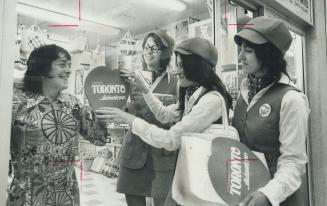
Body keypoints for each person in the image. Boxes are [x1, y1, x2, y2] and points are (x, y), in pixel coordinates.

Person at [96, 37, 233, 205]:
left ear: (197, 67)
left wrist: (130, 120)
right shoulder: (191, 94)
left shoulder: (211, 100)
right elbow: (163, 114)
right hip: (182, 167)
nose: (177, 71)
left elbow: (170, 139)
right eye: (178, 65)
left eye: (182, 66)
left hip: (200, 172)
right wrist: (144, 88)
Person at [8, 44, 108, 206]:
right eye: (62, 64)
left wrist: (103, 107)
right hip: (27, 193)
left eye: (69, 65)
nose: (68, 70)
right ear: (42, 67)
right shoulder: (17, 103)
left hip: (66, 193)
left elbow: (99, 138)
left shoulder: (73, 104)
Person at [231, 16, 310, 206]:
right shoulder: (244, 92)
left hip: (277, 199)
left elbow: (294, 162)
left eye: (248, 51)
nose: (240, 57)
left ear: (268, 55)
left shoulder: (291, 100)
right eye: (241, 49)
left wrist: (268, 195)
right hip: (244, 194)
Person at [116, 30, 179, 206]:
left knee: (163, 200)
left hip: (162, 152)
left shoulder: (176, 82)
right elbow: (126, 108)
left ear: (166, 52)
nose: (148, 51)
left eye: (155, 48)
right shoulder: (133, 78)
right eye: (146, 47)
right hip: (134, 150)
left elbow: (176, 117)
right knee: (133, 199)